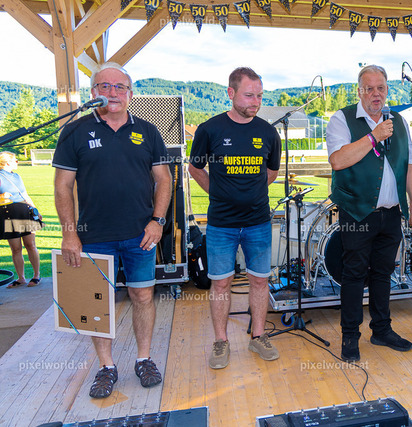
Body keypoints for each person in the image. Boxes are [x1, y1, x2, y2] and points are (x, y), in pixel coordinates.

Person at [53, 62, 172, 398]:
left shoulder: (148, 131)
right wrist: (69, 233)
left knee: (143, 296)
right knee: (96, 303)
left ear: (130, 94)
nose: (112, 93)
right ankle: (106, 366)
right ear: (94, 92)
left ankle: (143, 359)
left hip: (141, 235)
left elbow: (164, 180)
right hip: (94, 236)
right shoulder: (75, 131)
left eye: (120, 87)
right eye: (104, 86)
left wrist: (158, 221)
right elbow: (62, 186)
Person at [326, 64, 412, 362]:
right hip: (357, 213)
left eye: (380, 88)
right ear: (360, 92)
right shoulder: (342, 119)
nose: (376, 94)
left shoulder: (399, 121)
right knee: (354, 275)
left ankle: (381, 329)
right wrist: (373, 136)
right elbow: (338, 160)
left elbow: (409, 166)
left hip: (391, 213)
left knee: (383, 274)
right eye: (369, 89)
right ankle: (350, 335)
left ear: (387, 90)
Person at [188, 67, 282, 370]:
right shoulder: (210, 129)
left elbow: (271, 171)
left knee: (259, 281)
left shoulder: (268, 132)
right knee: (220, 284)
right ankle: (221, 341)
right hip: (221, 224)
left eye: (260, 96)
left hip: (258, 222)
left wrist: (250, 193)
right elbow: (195, 168)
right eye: (249, 95)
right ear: (231, 93)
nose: (256, 102)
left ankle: (258, 336)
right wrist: (219, 193)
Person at [0, 152, 42, 288]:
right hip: (8, 215)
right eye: (15, 160)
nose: (17, 162)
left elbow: (24, 194)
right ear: (7, 163)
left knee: (31, 245)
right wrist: (2, 196)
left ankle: (36, 275)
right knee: (16, 248)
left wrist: (35, 209)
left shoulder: (17, 176)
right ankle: (21, 278)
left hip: (24, 212)